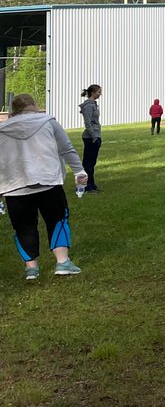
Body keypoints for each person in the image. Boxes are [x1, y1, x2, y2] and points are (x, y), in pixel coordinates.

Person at [1, 94, 88, 279]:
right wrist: (79, 172)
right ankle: (63, 262)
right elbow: (67, 148)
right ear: (34, 106)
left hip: (14, 186)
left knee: (23, 226)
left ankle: (31, 268)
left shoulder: (2, 129)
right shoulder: (48, 122)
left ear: (13, 111)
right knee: (58, 219)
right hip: (48, 181)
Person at [79, 84, 102, 192]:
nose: (100, 94)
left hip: (95, 135)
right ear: (92, 93)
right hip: (90, 137)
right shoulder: (88, 105)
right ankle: (86, 186)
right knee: (88, 164)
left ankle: (91, 184)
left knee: (92, 163)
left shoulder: (93, 104)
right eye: (98, 92)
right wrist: (94, 137)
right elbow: (88, 123)